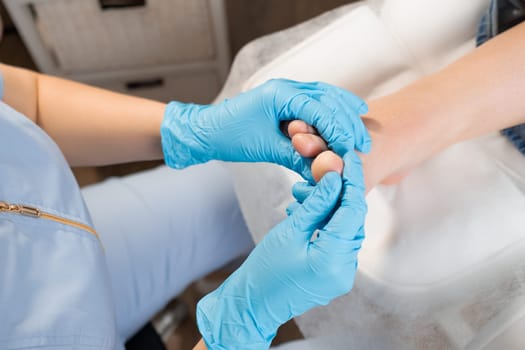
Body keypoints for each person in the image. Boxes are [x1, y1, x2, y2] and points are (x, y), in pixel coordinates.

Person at [0, 61, 371, 350]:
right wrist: (241, 325)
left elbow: (26, 101)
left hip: (58, 241)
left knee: (249, 184)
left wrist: (191, 128)